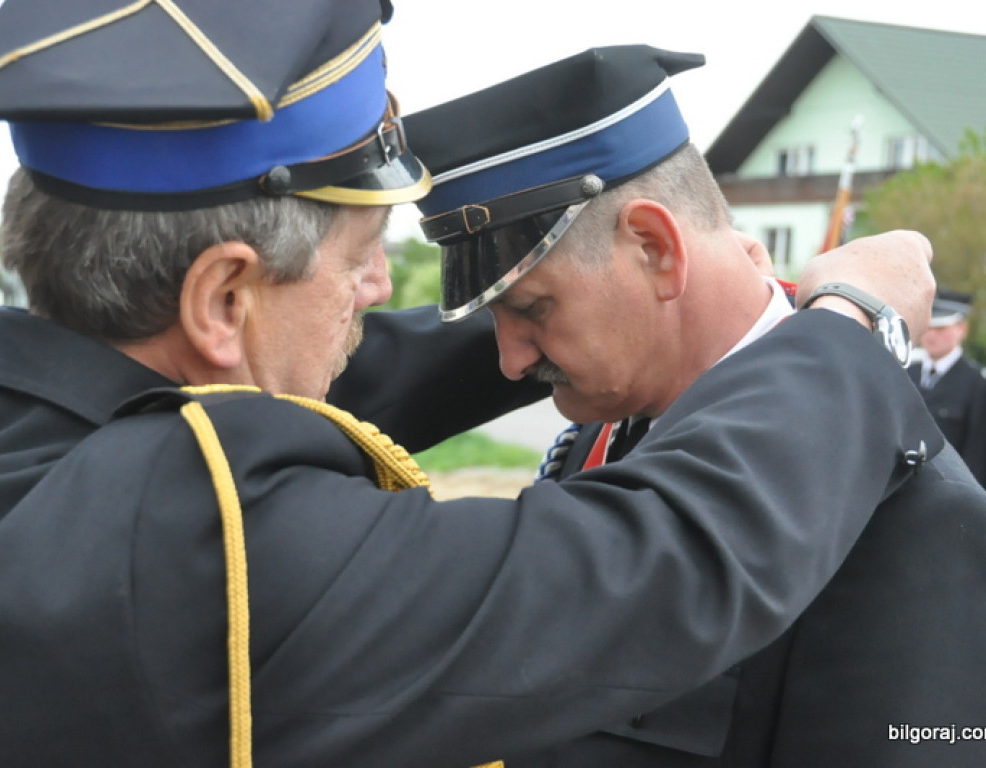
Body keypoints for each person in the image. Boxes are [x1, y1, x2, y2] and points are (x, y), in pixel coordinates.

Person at [0, 4, 945, 767]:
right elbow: (678, 557)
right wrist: (854, 318)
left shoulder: (18, 442)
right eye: (358, 259)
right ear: (222, 297)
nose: (383, 290)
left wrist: (602, 319)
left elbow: (332, 374)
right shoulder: (204, 545)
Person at [404, 44, 986, 766]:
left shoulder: (903, 510)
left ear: (655, 247)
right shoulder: (609, 429)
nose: (510, 360)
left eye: (532, 308)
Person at [908, 288, 986, 484]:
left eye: (941, 328)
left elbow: (977, 453)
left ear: (962, 329)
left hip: (949, 493)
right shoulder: (906, 373)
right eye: (928, 327)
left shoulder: (976, 385)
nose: (932, 336)